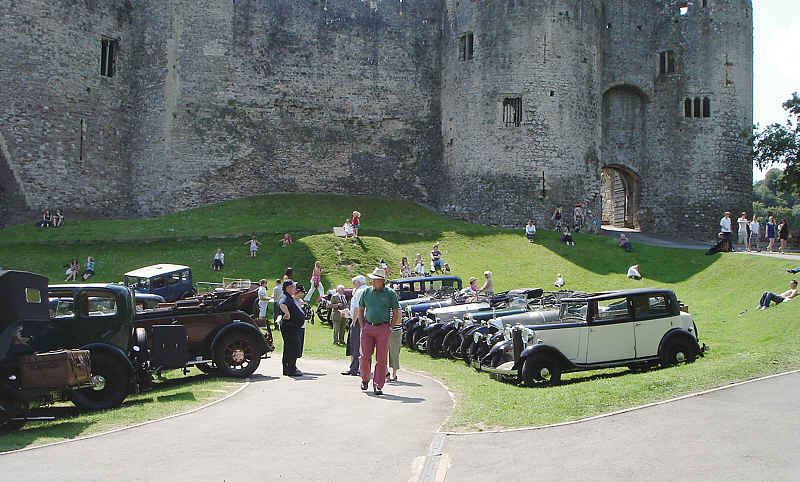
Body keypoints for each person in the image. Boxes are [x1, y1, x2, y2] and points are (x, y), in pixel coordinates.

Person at [357, 267, 400, 395]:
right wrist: (362, 326)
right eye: (372, 280)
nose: (372, 282)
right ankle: (365, 379)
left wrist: (390, 327)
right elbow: (360, 309)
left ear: (382, 281)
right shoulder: (366, 292)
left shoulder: (390, 293)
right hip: (367, 327)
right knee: (364, 356)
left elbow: (396, 312)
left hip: (383, 328)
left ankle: (378, 385)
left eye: (375, 280)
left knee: (381, 359)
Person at [341, 275, 368, 376]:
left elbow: (357, 307)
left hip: (358, 320)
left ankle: (354, 368)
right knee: (362, 345)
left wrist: (354, 320)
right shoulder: (367, 290)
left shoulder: (359, 291)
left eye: (354, 283)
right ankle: (361, 368)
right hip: (365, 320)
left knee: (356, 344)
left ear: (358, 282)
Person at [277, 280, 304, 376]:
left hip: (293, 327)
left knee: (290, 347)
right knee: (292, 347)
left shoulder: (289, 297)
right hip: (289, 327)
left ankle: (288, 368)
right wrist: (287, 313)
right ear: (288, 288)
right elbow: (282, 304)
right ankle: (291, 370)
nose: (295, 289)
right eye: (293, 287)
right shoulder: (285, 297)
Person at [294, 284, 308, 355]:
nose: (302, 294)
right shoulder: (292, 300)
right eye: (301, 293)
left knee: (300, 342)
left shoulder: (300, 300)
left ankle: (298, 355)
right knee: (296, 343)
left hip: (302, 325)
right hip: (294, 326)